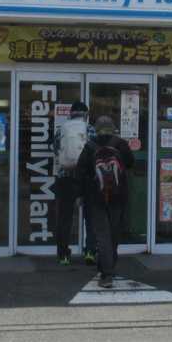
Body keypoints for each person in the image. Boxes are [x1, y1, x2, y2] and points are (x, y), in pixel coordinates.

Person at [76, 114, 134, 289]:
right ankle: (109, 267)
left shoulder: (90, 146)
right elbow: (130, 163)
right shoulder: (121, 144)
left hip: (96, 197)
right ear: (113, 128)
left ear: (96, 129)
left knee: (102, 235)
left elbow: (81, 171)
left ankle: (106, 273)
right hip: (118, 196)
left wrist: (81, 195)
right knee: (114, 234)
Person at [53, 100, 95, 267]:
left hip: (66, 176)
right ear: (86, 114)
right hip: (87, 177)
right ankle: (90, 251)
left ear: (71, 114)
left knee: (65, 217)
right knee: (90, 216)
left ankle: (63, 255)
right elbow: (94, 151)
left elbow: (55, 150)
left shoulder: (61, 130)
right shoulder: (89, 129)